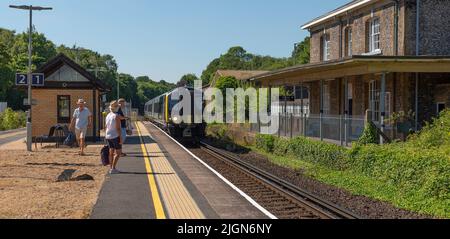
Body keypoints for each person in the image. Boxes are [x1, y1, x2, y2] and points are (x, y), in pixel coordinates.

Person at [105, 101, 122, 174]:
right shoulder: (116, 116)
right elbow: (118, 128)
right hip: (115, 136)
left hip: (108, 136)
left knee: (111, 152)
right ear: (116, 107)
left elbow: (105, 126)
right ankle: (113, 168)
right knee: (118, 153)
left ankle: (110, 168)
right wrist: (120, 137)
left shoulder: (108, 115)